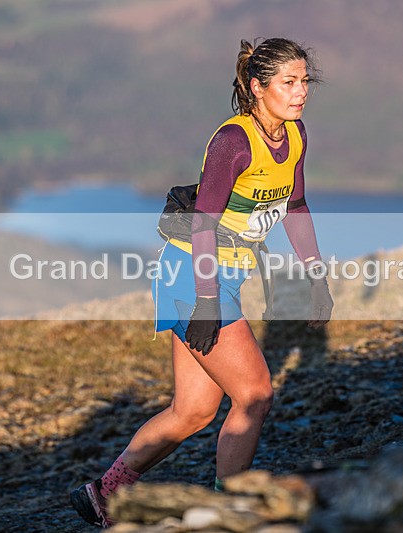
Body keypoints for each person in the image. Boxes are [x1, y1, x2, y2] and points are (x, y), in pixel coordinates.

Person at [70, 37, 334, 528]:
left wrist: (317, 277)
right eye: (288, 82)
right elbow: (204, 224)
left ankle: (102, 493)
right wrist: (208, 302)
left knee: (193, 410)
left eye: (304, 82)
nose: (300, 93)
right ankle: (226, 510)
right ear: (257, 87)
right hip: (193, 276)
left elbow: (295, 207)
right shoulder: (233, 142)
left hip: (217, 278)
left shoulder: (295, 135)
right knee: (255, 395)